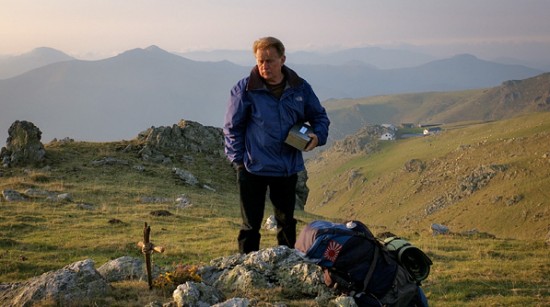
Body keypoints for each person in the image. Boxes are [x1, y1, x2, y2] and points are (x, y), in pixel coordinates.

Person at [223, 36, 330, 254]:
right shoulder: (244, 89)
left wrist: (317, 137)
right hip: (253, 168)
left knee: (287, 224)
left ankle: (289, 266)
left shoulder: (299, 88)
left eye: (269, 60)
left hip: (286, 169)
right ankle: (248, 270)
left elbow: (319, 117)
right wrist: (238, 161)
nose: (264, 66)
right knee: (250, 226)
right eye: (260, 61)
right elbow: (232, 128)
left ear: (282, 59)